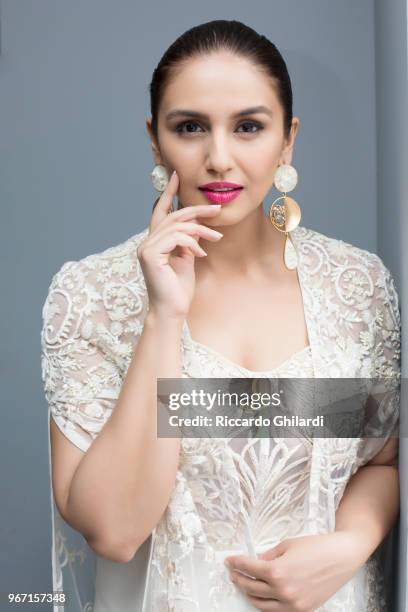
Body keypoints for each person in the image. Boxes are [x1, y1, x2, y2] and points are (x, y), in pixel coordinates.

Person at [41, 19, 401, 612]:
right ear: (155, 140)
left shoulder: (358, 284)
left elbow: (381, 462)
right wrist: (163, 316)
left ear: (288, 140)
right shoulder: (90, 294)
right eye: (190, 127)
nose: (219, 158)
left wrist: (352, 543)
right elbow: (113, 530)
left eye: (249, 127)